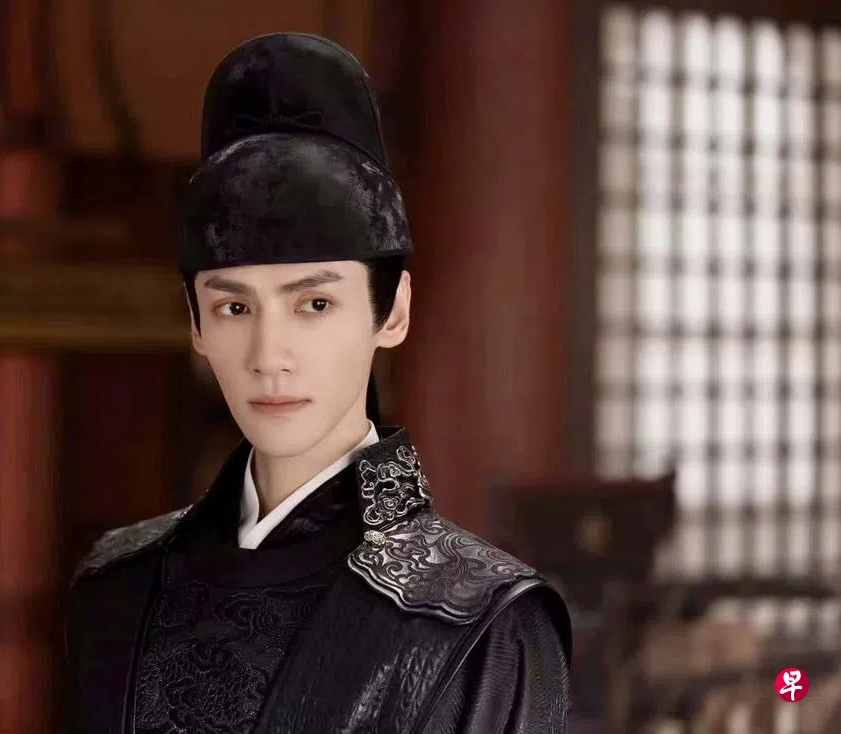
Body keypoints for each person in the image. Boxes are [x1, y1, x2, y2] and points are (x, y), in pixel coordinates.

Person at [66, 32, 572, 733]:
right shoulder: (117, 586)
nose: (269, 355)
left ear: (392, 312)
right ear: (195, 324)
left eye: (315, 304)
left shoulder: (485, 622)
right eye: (234, 308)